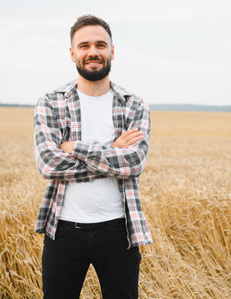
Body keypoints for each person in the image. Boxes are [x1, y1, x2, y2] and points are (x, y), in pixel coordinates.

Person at [33, 15, 152, 299]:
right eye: (84, 45)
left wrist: (72, 146)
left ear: (112, 50)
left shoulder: (133, 104)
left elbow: (133, 163)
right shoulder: (51, 102)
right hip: (63, 230)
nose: (93, 52)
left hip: (119, 230)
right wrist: (113, 150)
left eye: (100, 44)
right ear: (73, 53)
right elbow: (49, 163)